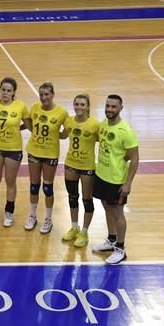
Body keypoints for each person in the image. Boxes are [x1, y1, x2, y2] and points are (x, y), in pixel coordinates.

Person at [92, 94, 139, 264]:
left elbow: (134, 158)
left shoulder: (125, 131)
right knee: (107, 208)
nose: (109, 109)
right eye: (107, 106)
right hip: (102, 175)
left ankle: (120, 248)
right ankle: (111, 240)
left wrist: (128, 183)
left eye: (113, 107)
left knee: (118, 213)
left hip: (117, 180)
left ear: (120, 108)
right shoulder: (103, 124)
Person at [0, 77, 31, 227]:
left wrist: (17, 128)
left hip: (13, 149)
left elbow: (29, 125)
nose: (5, 93)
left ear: (13, 93)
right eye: (3, 90)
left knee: (10, 182)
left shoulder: (20, 106)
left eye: (9, 91)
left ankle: (9, 212)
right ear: (0, 90)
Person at [25, 82, 68, 233]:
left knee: (47, 187)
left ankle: (48, 219)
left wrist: (58, 136)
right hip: (34, 151)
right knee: (34, 186)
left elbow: (66, 131)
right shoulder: (35, 108)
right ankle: (32, 215)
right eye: (41, 94)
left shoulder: (61, 112)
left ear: (52, 95)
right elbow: (29, 122)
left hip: (50, 153)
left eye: (46, 94)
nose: (43, 97)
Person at [60, 94, 100, 248]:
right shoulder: (69, 121)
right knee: (72, 197)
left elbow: (102, 141)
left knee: (87, 200)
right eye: (76, 104)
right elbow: (63, 136)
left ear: (88, 107)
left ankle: (84, 232)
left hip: (87, 167)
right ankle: (74, 227)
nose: (79, 107)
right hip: (70, 164)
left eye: (82, 104)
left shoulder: (95, 124)